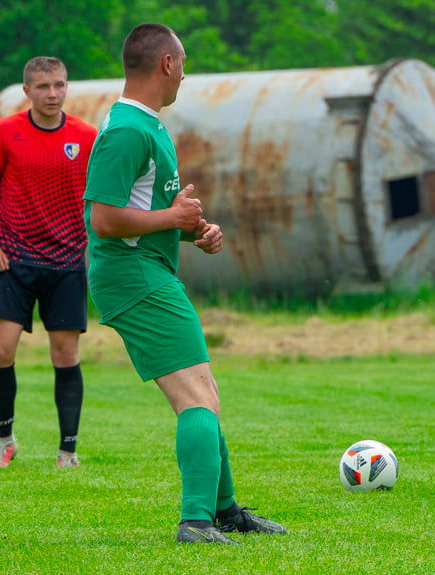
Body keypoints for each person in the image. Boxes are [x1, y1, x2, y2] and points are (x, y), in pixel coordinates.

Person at [83, 23, 288, 544]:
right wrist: (174, 221)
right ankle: (196, 521)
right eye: (184, 62)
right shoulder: (128, 130)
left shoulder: (147, 125)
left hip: (147, 271)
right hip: (133, 279)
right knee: (196, 399)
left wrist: (194, 230)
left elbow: (143, 209)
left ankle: (225, 511)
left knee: (206, 393)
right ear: (167, 65)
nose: (185, 73)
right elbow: (104, 220)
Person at [0, 56, 98, 470]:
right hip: (13, 261)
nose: (52, 94)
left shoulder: (87, 136)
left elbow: (106, 196)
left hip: (66, 263)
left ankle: (68, 452)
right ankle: (4, 439)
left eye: (59, 85)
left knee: (65, 354)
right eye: (42, 87)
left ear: (67, 87)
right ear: (27, 92)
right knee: (2, 351)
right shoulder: (6, 132)